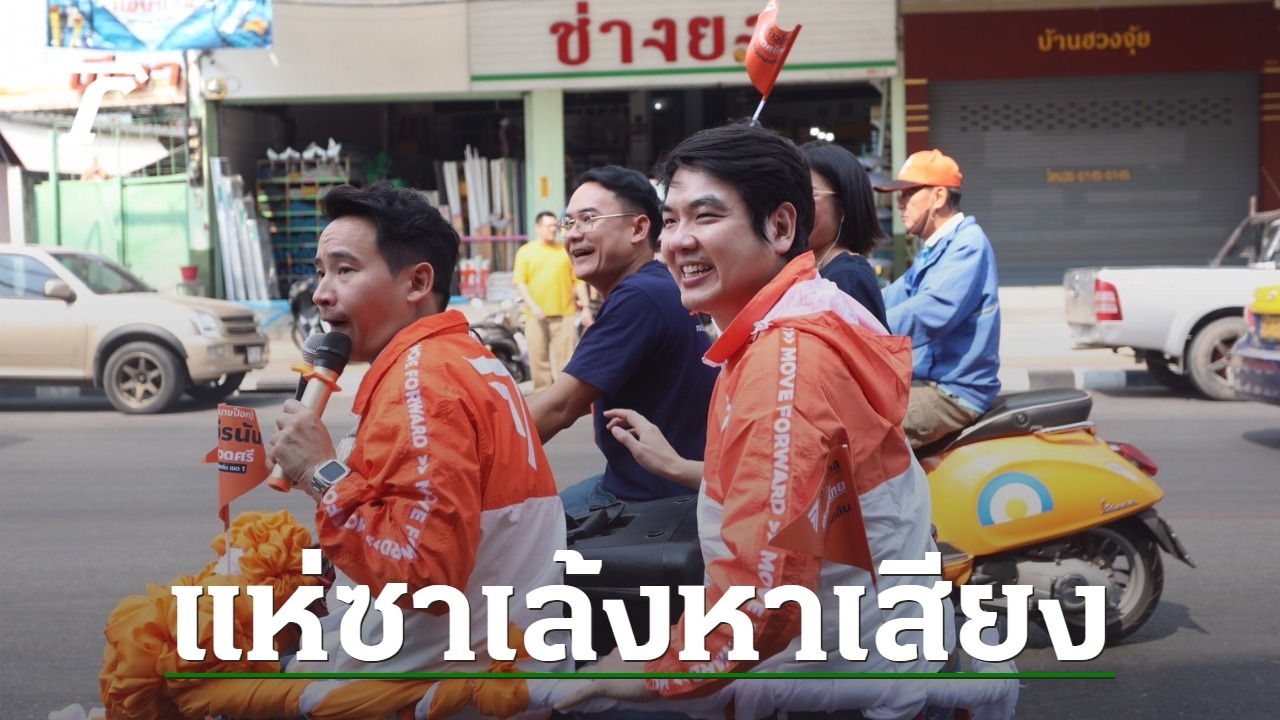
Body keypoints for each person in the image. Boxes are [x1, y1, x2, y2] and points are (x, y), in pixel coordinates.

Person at [561, 123, 953, 720]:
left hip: (843, 682)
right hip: (875, 657)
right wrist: (686, 468)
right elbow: (800, 488)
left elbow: (764, 600)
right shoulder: (806, 314)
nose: (679, 242)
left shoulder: (784, 362)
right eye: (672, 220)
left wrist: (647, 668)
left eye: (706, 216)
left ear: (781, 227)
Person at [265, 182, 571, 690]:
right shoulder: (463, 355)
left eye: (345, 270)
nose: (321, 292)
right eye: (321, 272)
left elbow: (424, 572)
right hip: (500, 659)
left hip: (432, 682)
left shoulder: (422, 381)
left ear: (417, 282)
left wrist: (321, 473)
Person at [526, 166, 718, 516]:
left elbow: (559, 408)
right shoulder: (656, 284)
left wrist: (468, 454)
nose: (574, 235)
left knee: (531, 538)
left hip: (653, 501)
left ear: (638, 228)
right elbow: (564, 397)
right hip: (648, 486)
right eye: (569, 223)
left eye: (588, 219)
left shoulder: (637, 298)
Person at [874, 149, 1001, 448]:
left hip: (952, 392)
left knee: (854, 427)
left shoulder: (967, 245)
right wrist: (839, 306)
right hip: (928, 381)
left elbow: (929, 311)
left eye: (908, 193)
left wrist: (857, 329)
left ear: (939, 196)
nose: (900, 203)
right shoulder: (935, 248)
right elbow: (895, 295)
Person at [800, 141, 889, 328]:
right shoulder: (816, 270)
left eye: (808, 194)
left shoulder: (849, 279)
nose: (795, 206)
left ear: (844, 206)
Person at [514, 210, 594, 391]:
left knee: (567, 362)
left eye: (554, 226)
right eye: (548, 225)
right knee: (538, 361)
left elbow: (577, 281)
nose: (552, 229)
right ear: (538, 227)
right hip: (535, 316)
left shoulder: (565, 251)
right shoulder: (526, 252)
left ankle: (565, 397)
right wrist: (533, 306)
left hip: (565, 314)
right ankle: (542, 396)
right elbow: (520, 282)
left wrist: (586, 307)